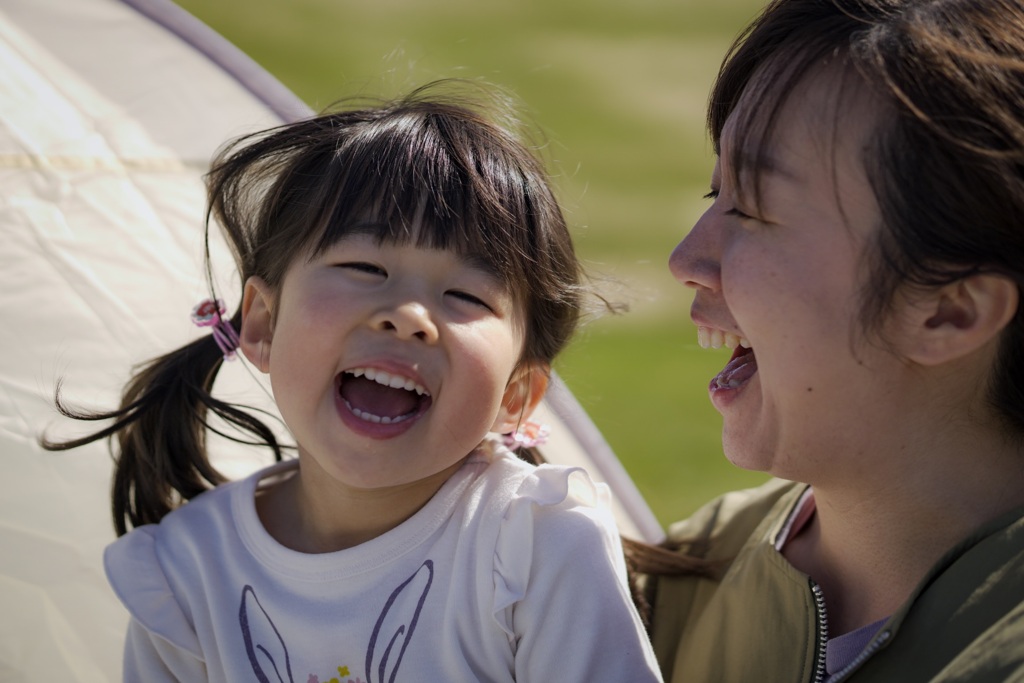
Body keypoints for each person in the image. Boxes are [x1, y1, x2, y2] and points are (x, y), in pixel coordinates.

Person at [44, 82, 662, 682]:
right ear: (262, 321)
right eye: (364, 266)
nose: (409, 315)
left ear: (515, 396)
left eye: (464, 295)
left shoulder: (539, 542)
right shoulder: (184, 574)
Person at [640, 0, 1024, 680]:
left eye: (752, 208)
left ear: (950, 312)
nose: (686, 259)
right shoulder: (690, 566)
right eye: (713, 193)